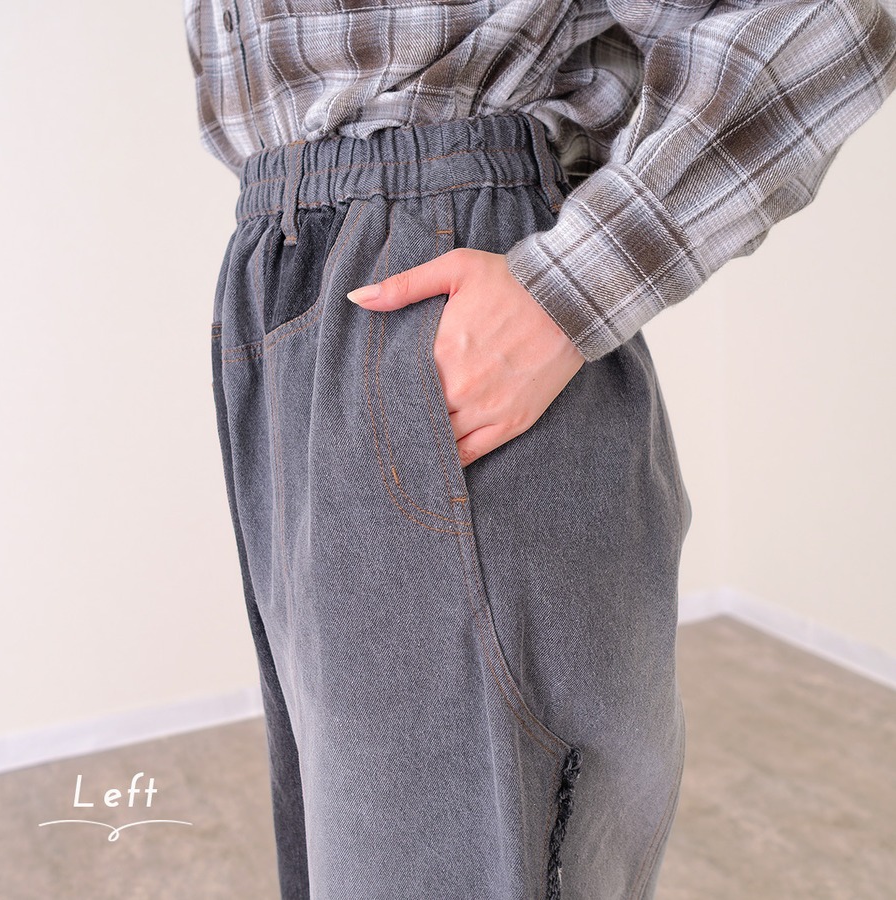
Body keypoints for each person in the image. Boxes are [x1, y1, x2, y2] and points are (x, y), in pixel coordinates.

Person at [184, 2, 896, 897]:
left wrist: (572, 287)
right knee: (358, 850)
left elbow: (822, 22)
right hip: (283, 288)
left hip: (433, 271)